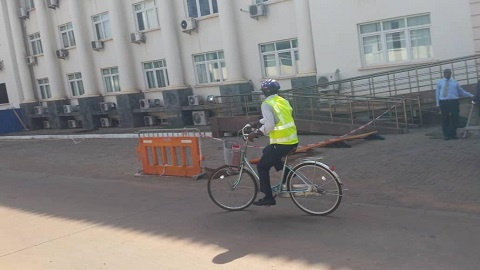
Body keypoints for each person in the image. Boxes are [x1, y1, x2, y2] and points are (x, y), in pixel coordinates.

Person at [247, 79, 299, 206]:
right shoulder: (282, 101)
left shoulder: (266, 104)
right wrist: (258, 123)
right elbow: (276, 118)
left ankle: (268, 197)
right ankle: (288, 173)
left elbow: (270, 124)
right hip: (292, 141)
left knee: (261, 166)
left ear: (265, 91)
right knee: (266, 151)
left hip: (281, 143)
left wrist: (256, 133)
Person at [436, 69, 474, 140]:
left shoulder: (454, 82)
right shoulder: (440, 82)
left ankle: (453, 134)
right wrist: (438, 104)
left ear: (451, 74)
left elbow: (461, 91)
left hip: (454, 102)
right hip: (444, 102)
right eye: (446, 73)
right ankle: (447, 135)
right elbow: (437, 93)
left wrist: (471, 95)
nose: (447, 74)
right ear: (443, 74)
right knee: (445, 118)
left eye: (449, 73)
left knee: (455, 118)